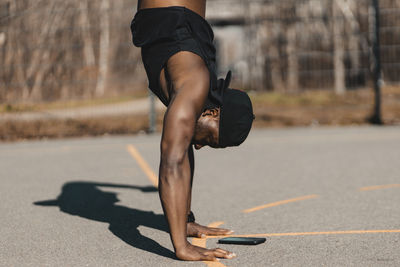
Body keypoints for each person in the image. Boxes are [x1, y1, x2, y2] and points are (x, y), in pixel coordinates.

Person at [131, 0, 254, 262]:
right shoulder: (193, 87)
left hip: (181, 19)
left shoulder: (197, 97)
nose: (199, 145)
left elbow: (184, 150)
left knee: (183, 140)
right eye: (208, 139)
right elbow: (172, 163)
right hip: (174, 16)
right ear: (212, 112)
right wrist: (181, 245)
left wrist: (184, 219)